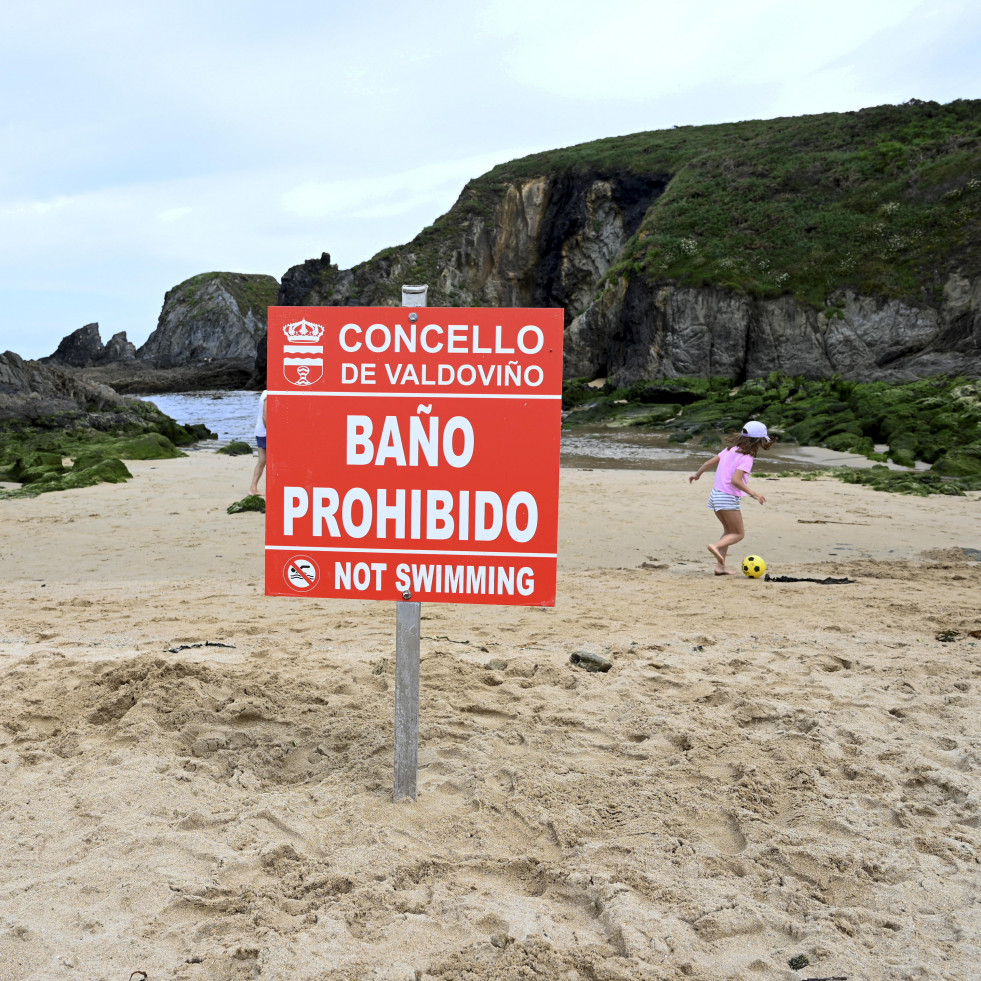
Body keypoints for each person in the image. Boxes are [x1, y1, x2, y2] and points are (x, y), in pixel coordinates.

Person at [688, 420, 774, 575]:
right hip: (727, 498)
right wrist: (754, 493)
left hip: (715, 496)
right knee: (739, 534)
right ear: (758, 442)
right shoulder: (746, 458)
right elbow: (735, 480)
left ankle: (720, 567)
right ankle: (715, 546)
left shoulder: (730, 449)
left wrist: (697, 474)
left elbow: (709, 463)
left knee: (729, 531)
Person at [249, 390, 267, 496]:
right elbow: (265, 416)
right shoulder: (268, 395)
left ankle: (253, 488)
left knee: (262, 461)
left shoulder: (264, 392)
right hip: (265, 432)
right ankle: (253, 488)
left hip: (260, 431)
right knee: (263, 461)